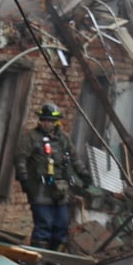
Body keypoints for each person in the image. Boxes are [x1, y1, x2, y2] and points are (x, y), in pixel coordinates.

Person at [16, 102, 82, 250]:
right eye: (44, 120)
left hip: (60, 190)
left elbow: (74, 157)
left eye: (50, 121)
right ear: (40, 120)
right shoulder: (31, 138)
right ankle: (37, 258)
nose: (47, 123)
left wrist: (83, 174)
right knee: (44, 224)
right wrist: (24, 179)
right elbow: (20, 159)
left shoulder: (63, 138)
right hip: (40, 189)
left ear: (56, 121)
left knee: (61, 225)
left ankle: (53, 260)